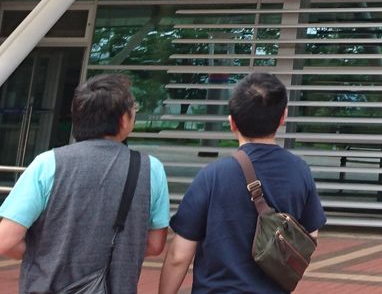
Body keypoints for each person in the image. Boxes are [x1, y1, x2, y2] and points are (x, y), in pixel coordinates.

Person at [0, 73, 169, 293]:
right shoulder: (150, 169)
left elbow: (6, 239)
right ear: (123, 120)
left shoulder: (48, 163)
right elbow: (155, 245)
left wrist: (44, 254)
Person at [158, 72, 325, 294]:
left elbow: (179, 256)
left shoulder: (212, 175)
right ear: (283, 117)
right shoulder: (300, 171)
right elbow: (311, 235)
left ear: (232, 123)